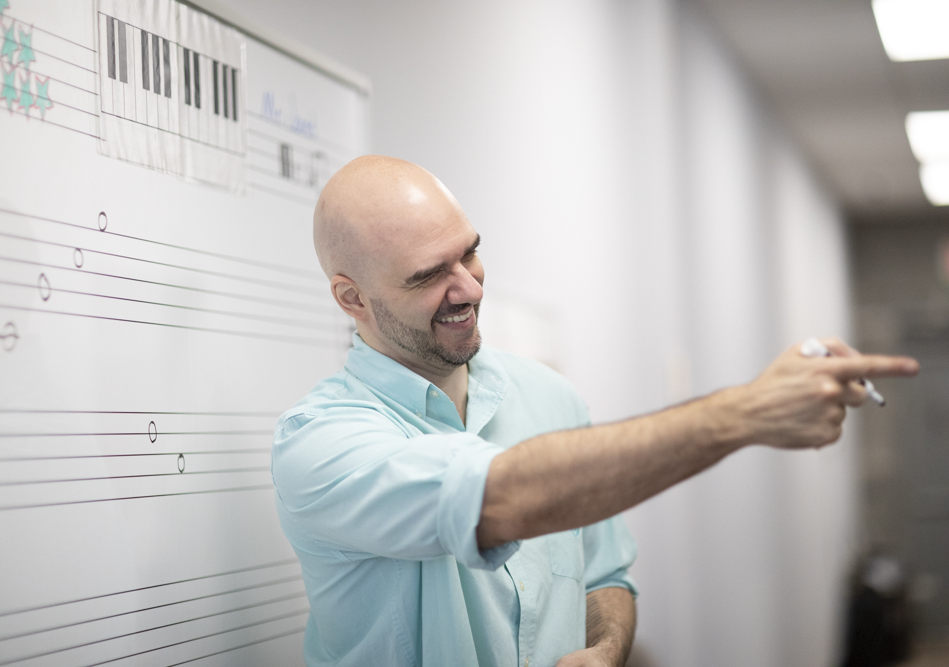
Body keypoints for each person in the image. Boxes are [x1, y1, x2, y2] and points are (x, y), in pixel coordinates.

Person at [271, 155, 918, 667]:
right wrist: (744, 413)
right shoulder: (321, 444)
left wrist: (605, 648)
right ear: (351, 297)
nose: (469, 286)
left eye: (468, 252)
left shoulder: (549, 397)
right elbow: (500, 498)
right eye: (427, 275)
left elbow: (606, 574)